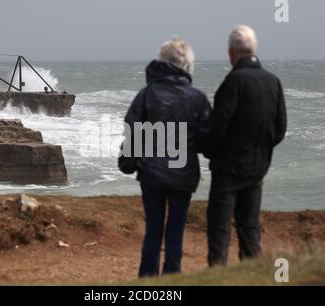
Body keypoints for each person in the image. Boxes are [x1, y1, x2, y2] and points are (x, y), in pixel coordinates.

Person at [120, 37, 212, 277]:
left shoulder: (147, 94)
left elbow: (133, 131)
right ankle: (173, 281)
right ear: (187, 65)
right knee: (176, 230)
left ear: (162, 63)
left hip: (151, 173)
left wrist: (128, 163)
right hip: (183, 174)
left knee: (153, 229)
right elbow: (206, 140)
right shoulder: (197, 98)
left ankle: (147, 282)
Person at [203, 25, 287, 266]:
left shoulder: (233, 81)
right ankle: (253, 277)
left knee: (220, 227)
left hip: (228, 168)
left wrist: (210, 152)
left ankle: (218, 278)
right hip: (258, 166)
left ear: (231, 52)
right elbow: (280, 128)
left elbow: (218, 128)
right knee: (249, 226)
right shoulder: (273, 82)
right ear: (254, 49)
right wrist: (261, 150)